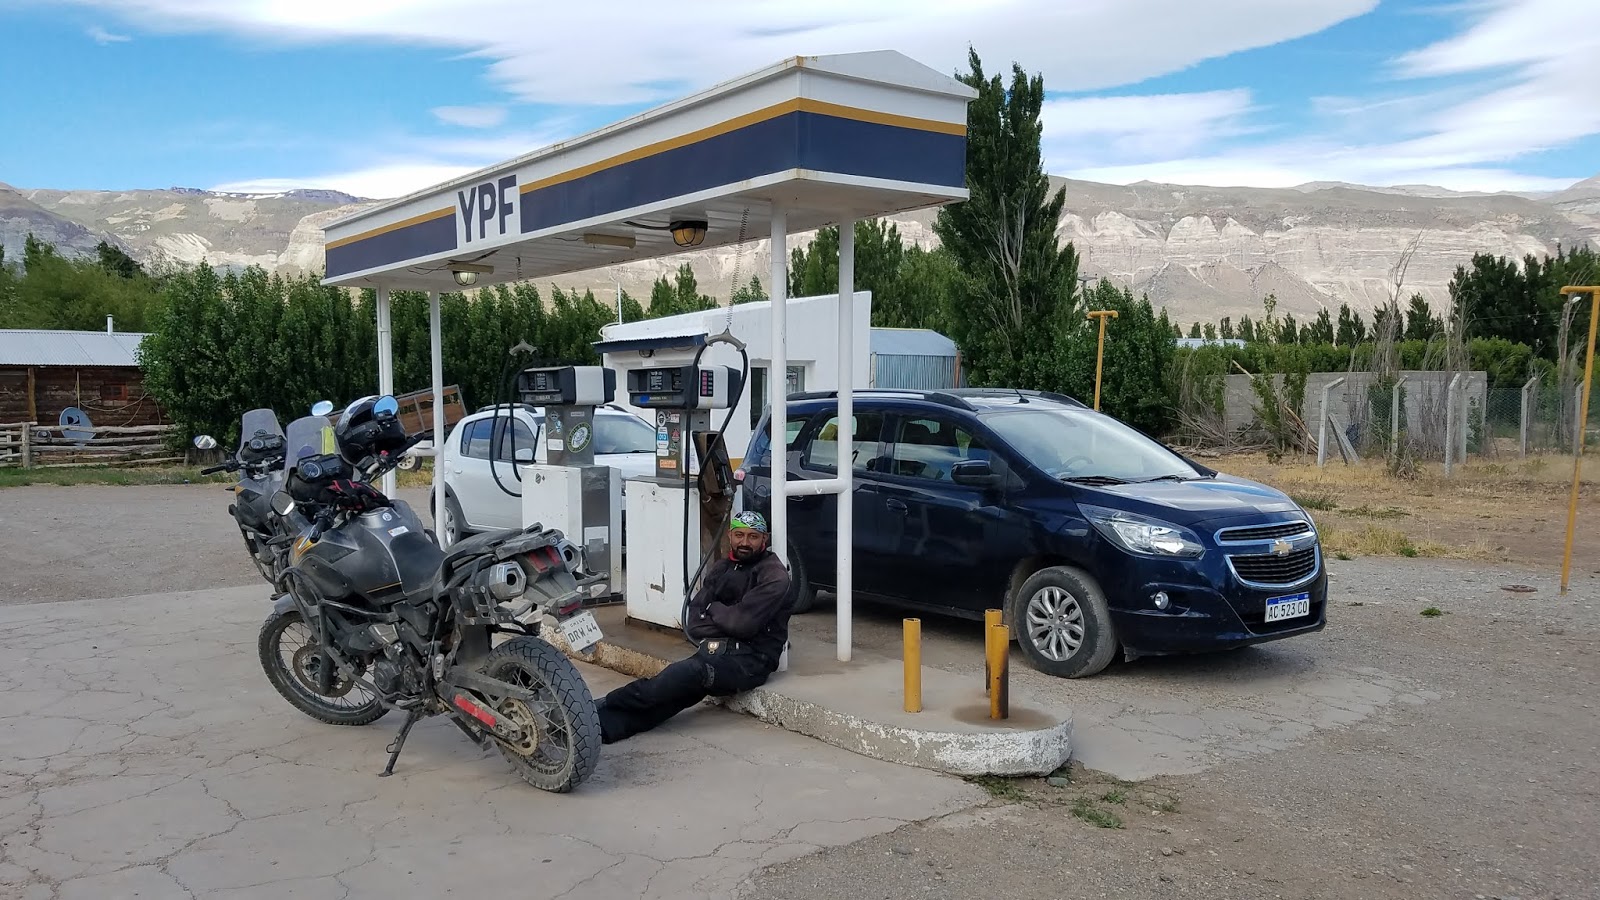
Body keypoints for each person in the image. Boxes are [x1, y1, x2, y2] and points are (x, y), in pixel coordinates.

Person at [594, 511, 791, 744]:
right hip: (714, 652)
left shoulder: (774, 575)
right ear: (729, 535)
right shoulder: (722, 568)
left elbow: (742, 624)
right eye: (739, 535)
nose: (745, 542)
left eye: (753, 537)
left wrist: (715, 609)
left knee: (683, 676)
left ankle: (598, 706)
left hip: (752, 661)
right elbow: (695, 623)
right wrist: (729, 617)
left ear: (764, 540)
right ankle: (602, 729)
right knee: (673, 695)